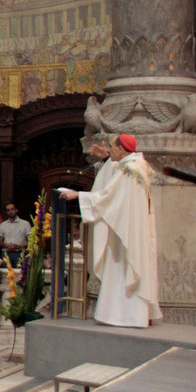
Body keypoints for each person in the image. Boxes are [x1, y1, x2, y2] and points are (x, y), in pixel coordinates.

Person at [60, 134, 162, 328]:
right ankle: (132, 315)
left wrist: (78, 195)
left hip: (126, 232)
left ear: (122, 149)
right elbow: (115, 175)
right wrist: (106, 157)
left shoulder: (129, 171)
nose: (111, 151)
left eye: (113, 148)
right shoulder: (139, 166)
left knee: (122, 267)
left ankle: (123, 316)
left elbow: (107, 197)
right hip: (132, 228)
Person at [0, 202, 32, 267]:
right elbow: (0, 242)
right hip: (6, 253)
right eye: (8, 210)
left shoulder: (25, 224)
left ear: (16, 210)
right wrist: (6, 245)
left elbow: (30, 241)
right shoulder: (3, 225)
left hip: (20, 253)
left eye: (12, 209)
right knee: (6, 274)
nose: (10, 211)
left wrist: (18, 246)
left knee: (19, 274)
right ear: (6, 212)